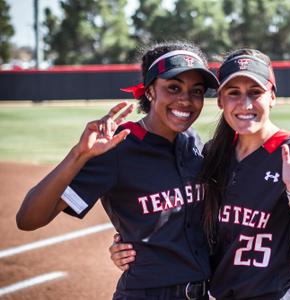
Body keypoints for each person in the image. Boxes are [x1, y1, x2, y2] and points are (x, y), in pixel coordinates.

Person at [110, 49, 290, 299]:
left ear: (272, 96)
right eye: (233, 93)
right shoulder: (212, 155)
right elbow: (187, 220)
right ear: (220, 101)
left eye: (255, 92)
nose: (245, 104)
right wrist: (135, 246)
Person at [16, 41, 220, 300]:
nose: (186, 100)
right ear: (149, 92)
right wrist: (79, 155)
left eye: (197, 91)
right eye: (173, 87)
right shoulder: (117, 148)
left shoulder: (194, 144)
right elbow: (29, 220)